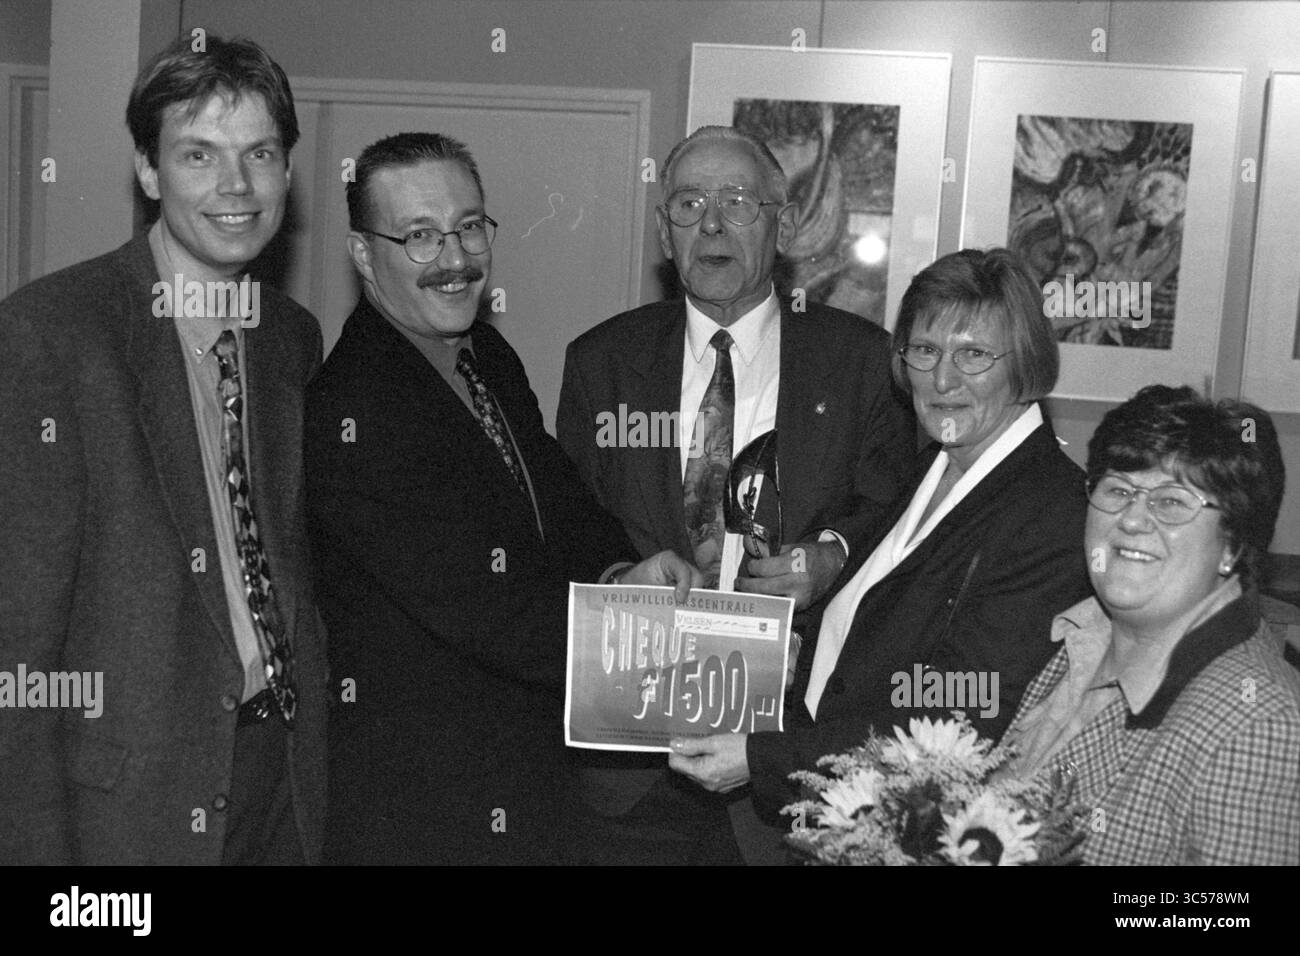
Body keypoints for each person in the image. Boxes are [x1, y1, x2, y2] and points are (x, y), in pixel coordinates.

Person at [306, 132, 700, 865]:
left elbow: (559, 499)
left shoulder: (486, 356)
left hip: (528, 785)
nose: (455, 260)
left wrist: (625, 575)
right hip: (424, 811)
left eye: (469, 227)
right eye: (419, 236)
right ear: (364, 254)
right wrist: (697, 665)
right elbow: (494, 613)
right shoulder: (349, 413)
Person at [0, 35, 327, 864]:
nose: (236, 186)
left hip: (278, 779)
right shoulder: (52, 336)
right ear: (148, 172)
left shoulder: (289, 337)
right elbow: (17, 654)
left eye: (259, 152)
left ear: (288, 169)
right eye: (198, 155)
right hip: (129, 809)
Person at [558, 125, 915, 865]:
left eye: (737, 203)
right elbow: (568, 523)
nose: (712, 225)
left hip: (783, 764)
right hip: (630, 767)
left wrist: (830, 558)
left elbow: (896, 516)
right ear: (664, 231)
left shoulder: (860, 362)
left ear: (781, 224)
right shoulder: (603, 362)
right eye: (688, 204)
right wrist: (621, 576)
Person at [669, 248, 1093, 836]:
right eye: (925, 350)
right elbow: (878, 629)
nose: (943, 379)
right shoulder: (936, 466)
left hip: (905, 829)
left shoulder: (1052, 510)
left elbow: (958, 717)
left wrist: (760, 759)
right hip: (833, 809)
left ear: (1025, 364)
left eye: (973, 354)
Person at [999, 385, 1300, 864]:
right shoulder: (1083, 639)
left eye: (1172, 502)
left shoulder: (1259, 725)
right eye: (1117, 489)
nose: (1133, 519)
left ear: (1233, 545)